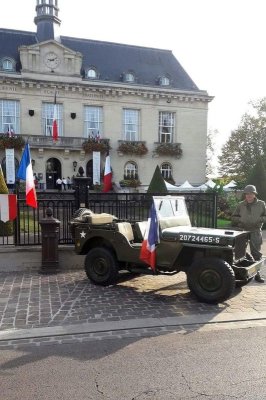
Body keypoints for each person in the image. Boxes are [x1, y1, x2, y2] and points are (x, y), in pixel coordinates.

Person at [232, 185, 266, 283]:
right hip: (243, 232)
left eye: (251, 194)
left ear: (254, 194)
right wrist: (241, 220)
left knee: (256, 254)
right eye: (247, 194)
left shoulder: (261, 204)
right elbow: (234, 217)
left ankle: (257, 275)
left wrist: (260, 219)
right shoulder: (241, 205)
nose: (249, 196)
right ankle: (240, 274)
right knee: (240, 253)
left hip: (255, 231)